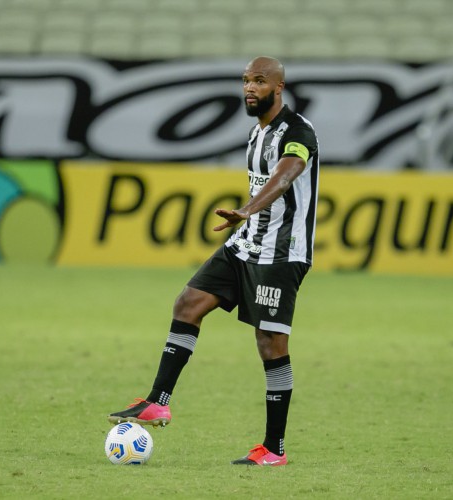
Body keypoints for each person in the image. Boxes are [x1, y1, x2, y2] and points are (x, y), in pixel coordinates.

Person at [107, 56, 319, 467]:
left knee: (270, 344)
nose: (249, 88)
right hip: (247, 242)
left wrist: (248, 207)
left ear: (279, 87)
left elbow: (289, 170)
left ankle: (274, 449)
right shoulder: (256, 134)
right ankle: (158, 402)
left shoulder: (298, 131)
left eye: (259, 81)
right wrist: (247, 219)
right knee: (188, 303)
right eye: (245, 81)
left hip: (280, 252)